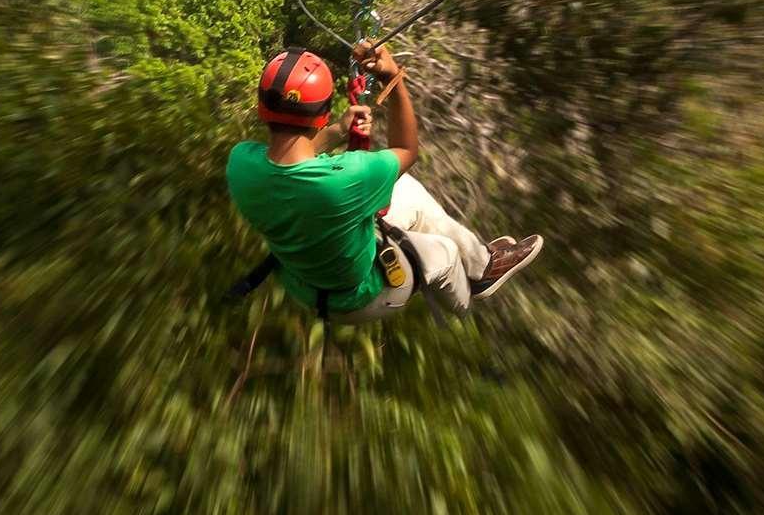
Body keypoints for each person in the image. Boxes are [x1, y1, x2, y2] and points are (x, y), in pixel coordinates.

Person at [225, 40, 540, 321]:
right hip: (360, 297)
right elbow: (407, 150)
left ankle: (482, 265)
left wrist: (337, 131)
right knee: (444, 253)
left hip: (306, 283)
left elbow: (291, 160)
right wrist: (393, 78)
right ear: (320, 116)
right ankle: (468, 308)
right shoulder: (347, 178)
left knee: (406, 189)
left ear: (261, 108)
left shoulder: (241, 163)